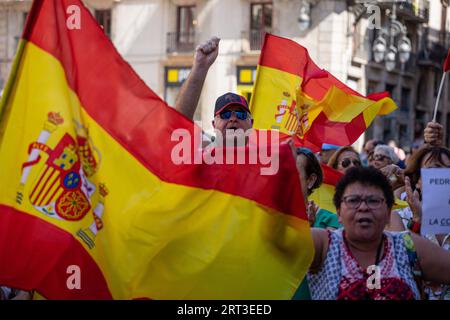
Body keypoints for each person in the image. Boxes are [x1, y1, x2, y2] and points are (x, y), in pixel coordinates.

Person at [307, 166, 450, 300]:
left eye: (373, 201)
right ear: (338, 211)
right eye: (353, 200)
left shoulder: (408, 246)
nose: (363, 207)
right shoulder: (323, 244)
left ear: (388, 211)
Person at [174, 37, 253, 148]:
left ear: (251, 124)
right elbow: (178, 122)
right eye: (225, 114)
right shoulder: (206, 153)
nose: (233, 119)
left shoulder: (265, 157)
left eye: (241, 114)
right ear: (214, 125)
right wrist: (200, 67)